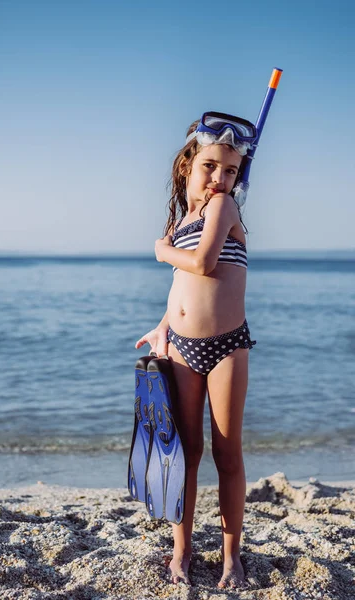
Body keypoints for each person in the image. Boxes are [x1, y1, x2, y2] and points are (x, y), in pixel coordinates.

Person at [135, 113, 257, 590]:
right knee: (184, 453)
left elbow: (204, 264)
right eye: (210, 167)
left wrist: (162, 250)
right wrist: (164, 324)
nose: (220, 179)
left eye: (230, 170)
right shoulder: (184, 219)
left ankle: (232, 558)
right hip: (182, 347)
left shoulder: (223, 210)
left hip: (227, 346)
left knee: (227, 454)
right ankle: (180, 551)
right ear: (186, 166)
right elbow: (184, 286)